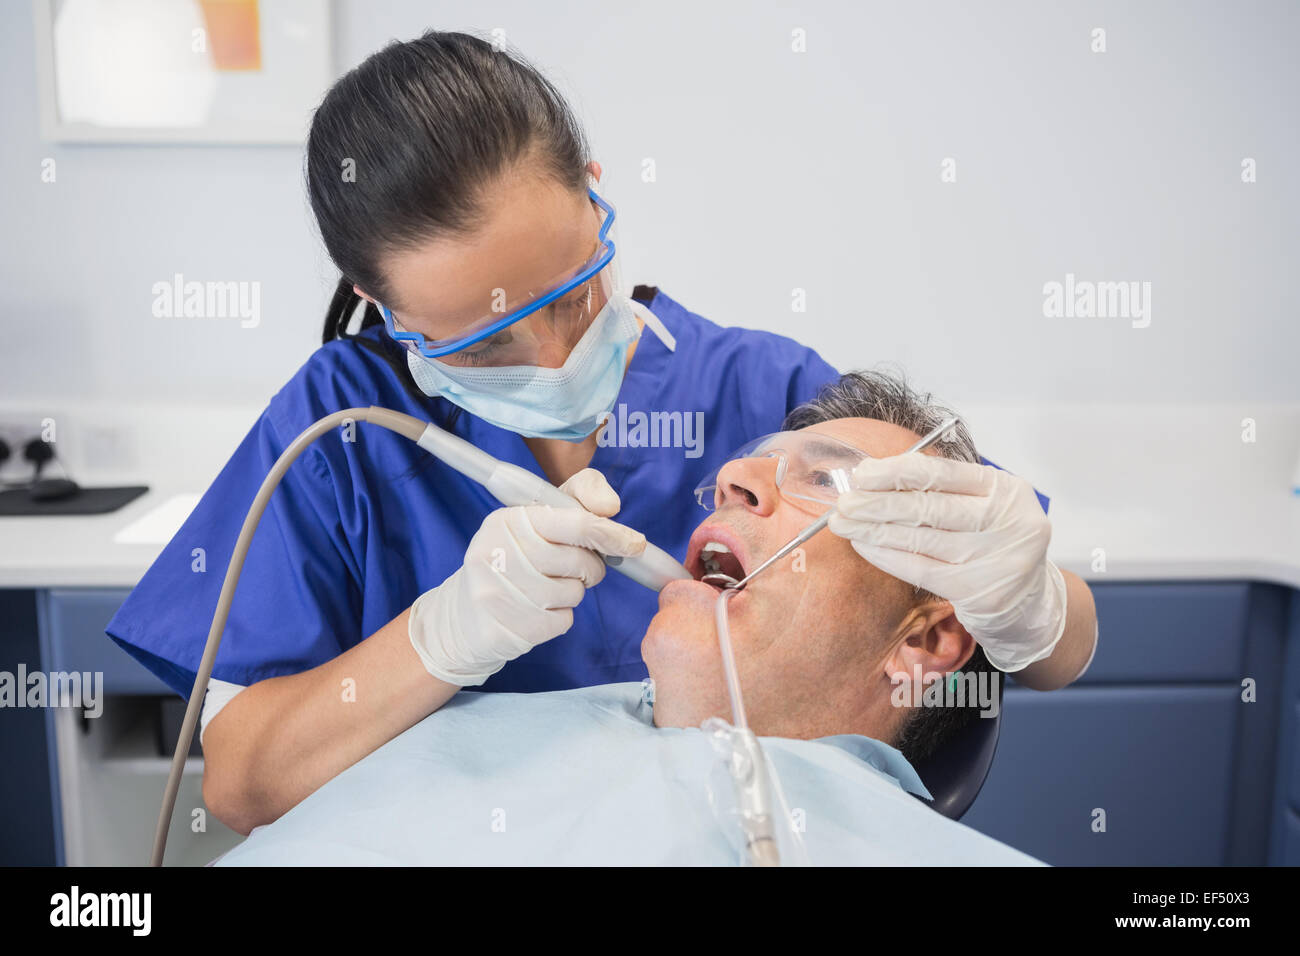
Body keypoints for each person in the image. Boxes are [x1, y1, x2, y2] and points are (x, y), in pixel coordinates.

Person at [105, 32, 1097, 834]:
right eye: (489, 339)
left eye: (572, 292)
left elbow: (1024, 632)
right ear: (381, 303)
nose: (549, 354)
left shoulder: (762, 387)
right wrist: (443, 635)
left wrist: (1035, 610)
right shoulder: (341, 435)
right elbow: (238, 786)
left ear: (589, 187)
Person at [214, 371, 1045, 865]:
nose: (735, 480)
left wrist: (1051, 620)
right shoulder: (450, 736)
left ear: (928, 640)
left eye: (827, 482)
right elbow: (238, 782)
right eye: (747, 466)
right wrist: (442, 634)